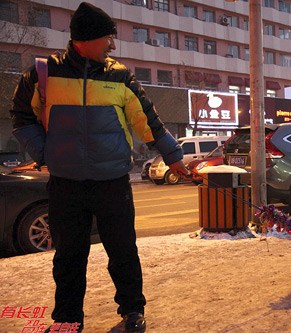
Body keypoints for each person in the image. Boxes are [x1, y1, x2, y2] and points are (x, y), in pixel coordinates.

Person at [10, 3, 189, 332]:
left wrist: (173, 156)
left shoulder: (120, 76)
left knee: (123, 251)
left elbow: (148, 122)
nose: (113, 46)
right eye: (108, 38)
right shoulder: (43, 73)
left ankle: (133, 310)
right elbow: (21, 118)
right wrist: (45, 152)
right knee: (68, 257)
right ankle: (67, 319)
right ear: (85, 40)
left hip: (113, 183)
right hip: (66, 184)